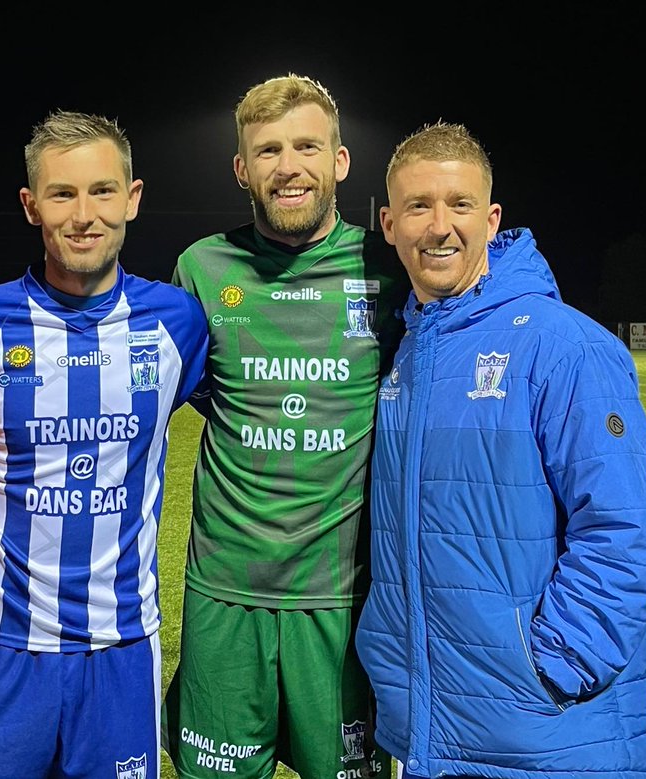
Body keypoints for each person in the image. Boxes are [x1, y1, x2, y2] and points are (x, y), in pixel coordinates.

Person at [0, 109, 209, 778]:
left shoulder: (177, 323)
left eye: (102, 191)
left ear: (131, 199)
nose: (83, 213)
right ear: (31, 206)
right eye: (62, 193)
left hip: (121, 649)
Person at [355, 121, 646, 778]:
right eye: (418, 206)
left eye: (459, 204)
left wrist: (551, 666)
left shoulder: (564, 345)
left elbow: (622, 535)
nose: (440, 226)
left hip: (548, 740)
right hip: (434, 734)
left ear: (491, 218)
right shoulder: (406, 353)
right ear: (387, 223)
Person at [161, 73, 410, 779]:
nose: (288, 165)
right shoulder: (202, 268)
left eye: (307, 145)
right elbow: (197, 392)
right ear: (242, 169)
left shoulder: (385, 269)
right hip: (224, 592)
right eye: (268, 150)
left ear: (339, 160)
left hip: (341, 601)